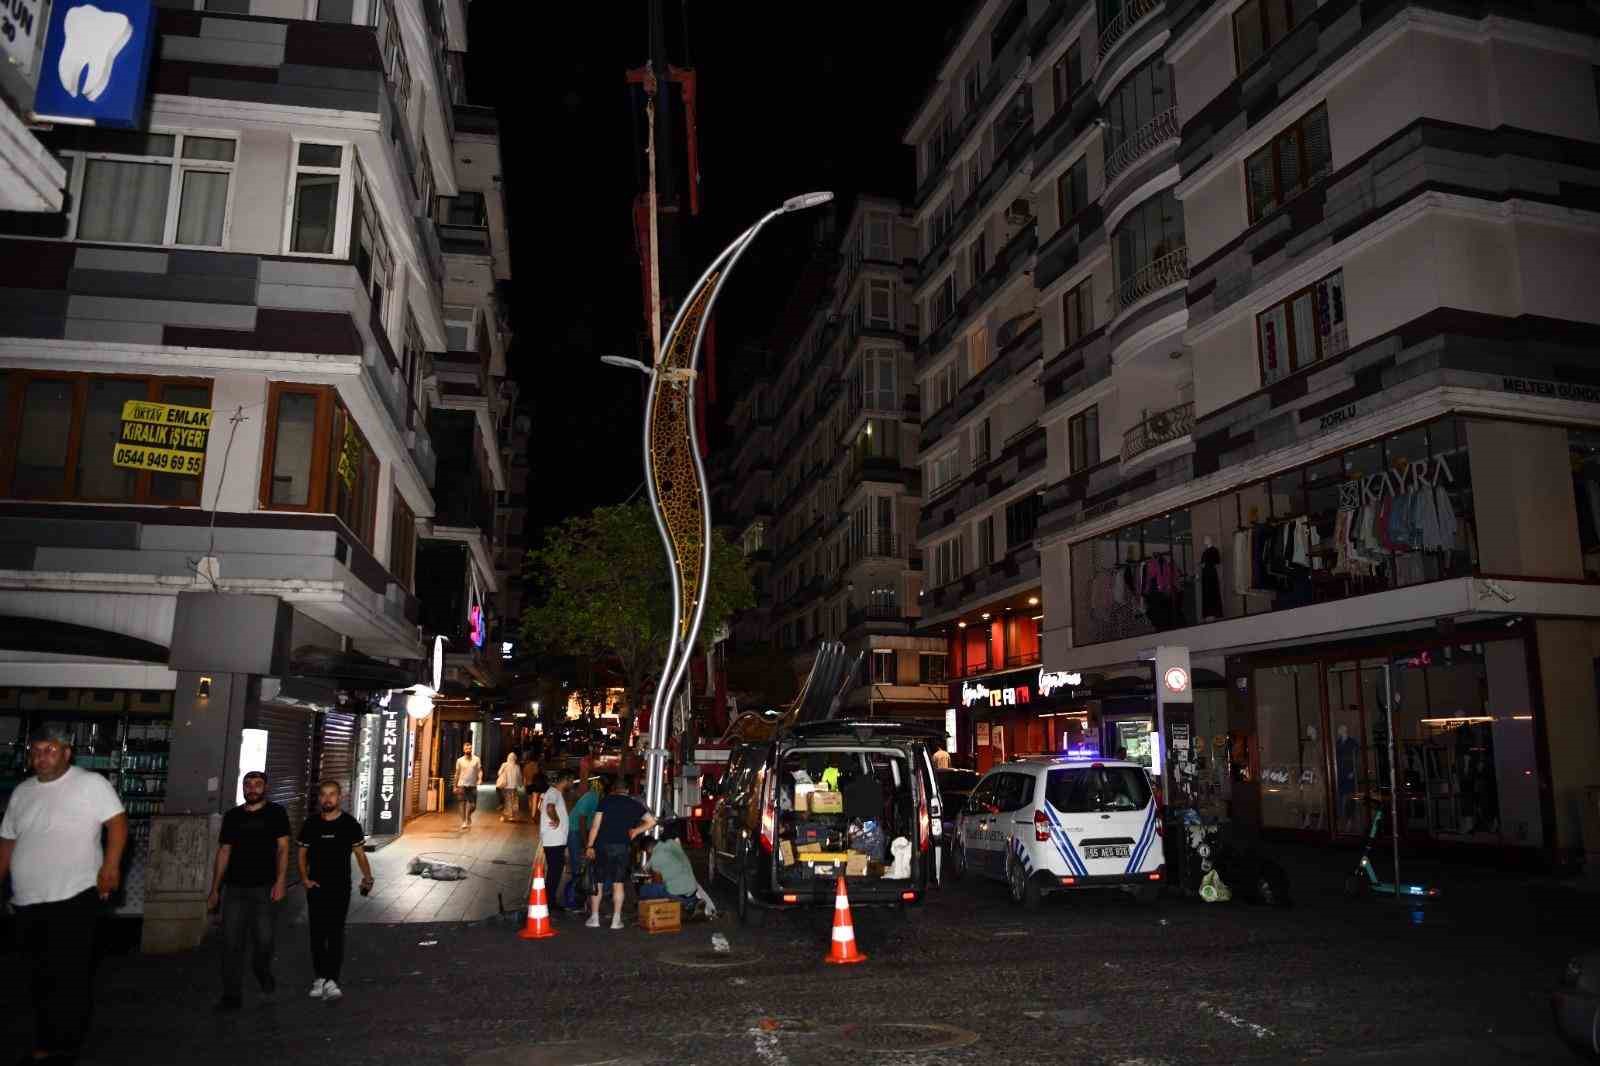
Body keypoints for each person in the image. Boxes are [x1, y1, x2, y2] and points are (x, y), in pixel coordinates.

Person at [0, 725, 126, 1063]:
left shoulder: (89, 784)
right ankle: (45, 1038)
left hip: (76, 894)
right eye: (36, 750)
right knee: (38, 974)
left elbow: (116, 823)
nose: (42, 756)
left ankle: (66, 1043)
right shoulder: (22, 792)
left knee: (70, 972)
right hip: (28, 899)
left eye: (50, 749)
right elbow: (8, 840)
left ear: (67, 753)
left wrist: (110, 867)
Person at [208, 769, 290, 1010]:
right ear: (243, 788)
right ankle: (231, 995)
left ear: (265, 788)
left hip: (264, 888)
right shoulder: (233, 816)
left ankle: (261, 970)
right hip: (235, 889)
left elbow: (283, 848)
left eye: (257, 784)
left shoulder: (276, 813)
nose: (252, 788)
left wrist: (281, 880)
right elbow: (224, 851)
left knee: (264, 941)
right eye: (248, 784)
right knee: (231, 942)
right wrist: (215, 888)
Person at [296, 780, 372, 1004]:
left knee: (335, 932)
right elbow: (301, 854)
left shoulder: (349, 824)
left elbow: (359, 854)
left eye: (332, 795)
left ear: (340, 798)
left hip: (340, 887)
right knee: (317, 934)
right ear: (319, 798)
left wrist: (367, 878)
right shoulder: (310, 824)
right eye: (324, 795)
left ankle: (332, 980)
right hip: (316, 887)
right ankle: (320, 978)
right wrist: (305, 880)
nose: (327, 799)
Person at [584, 775, 654, 930]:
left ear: (614, 790)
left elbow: (595, 826)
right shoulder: (634, 804)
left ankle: (594, 918)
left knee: (599, 882)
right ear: (628, 790)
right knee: (618, 883)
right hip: (622, 847)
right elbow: (652, 821)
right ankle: (616, 921)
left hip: (602, 846)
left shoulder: (605, 801)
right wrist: (636, 831)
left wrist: (589, 846)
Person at [639, 821, 717, 919]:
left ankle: (689, 904)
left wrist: (648, 880)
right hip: (693, 887)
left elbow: (658, 881)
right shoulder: (671, 843)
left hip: (680, 893)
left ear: (648, 850)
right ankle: (694, 901)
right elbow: (663, 857)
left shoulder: (655, 859)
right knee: (674, 883)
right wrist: (648, 866)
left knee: (645, 890)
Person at [562, 776, 599, 911]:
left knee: (581, 867)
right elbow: (582, 820)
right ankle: (574, 900)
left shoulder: (597, 799)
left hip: (579, 831)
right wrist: (586, 843)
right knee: (577, 866)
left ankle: (579, 899)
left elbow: (590, 822)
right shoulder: (592, 797)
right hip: (574, 830)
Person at [538, 771, 572, 910]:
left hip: (555, 840)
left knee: (555, 870)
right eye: (571, 781)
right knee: (555, 871)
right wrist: (556, 819)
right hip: (554, 841)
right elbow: (549, 807)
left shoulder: (554, 793)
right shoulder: (553, 793)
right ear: (567, 779)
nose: (571, 784)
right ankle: (549, 901)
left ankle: (550, 899)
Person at [454, 740, 483, 830]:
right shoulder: (459, 760)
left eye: (469, 748)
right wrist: (454, 786)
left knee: (473, 805)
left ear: (471, 749)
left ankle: (468, 815)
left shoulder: (476, 759)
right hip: (461, 785)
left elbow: (480, 770)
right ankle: (464, 821)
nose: (468, 750)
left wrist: (480, 778)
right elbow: (457, 773)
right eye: (466, 748)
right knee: (462, 803)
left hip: (472, 785)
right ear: (463, 749)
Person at [495, 750, 521, 823]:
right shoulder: (517, 766)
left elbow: (499, 773)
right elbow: (519, 776)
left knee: (506, 801)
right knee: (513, 801)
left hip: (505, 787)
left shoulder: (504, 765)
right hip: (513, 787)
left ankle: (504, 816)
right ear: (515, 758)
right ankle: (511, 816)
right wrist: (520, 784)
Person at [520, 748, 541, 819]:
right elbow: (538, 775)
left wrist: (524, 785)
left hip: (528, 785)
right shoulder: (536, 766)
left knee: (530, 799)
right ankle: (533, 814)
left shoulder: (526, 767)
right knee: (535, 800)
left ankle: (531, 809)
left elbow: (524, 777)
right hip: (535, 785)